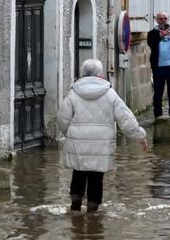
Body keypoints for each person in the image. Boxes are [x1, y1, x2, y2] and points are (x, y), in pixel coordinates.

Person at [57, 59, 148, 213]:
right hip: (101, 146)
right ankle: (93, 212)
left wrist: (71, 135)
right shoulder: (110, 94)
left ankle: (75, 207)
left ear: (82, 73)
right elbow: (126, 119)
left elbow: (62, 119)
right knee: (96, 177)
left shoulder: (73, 93)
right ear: (100, 74)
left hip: (78, 144)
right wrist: (140, 135)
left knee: (78, 173)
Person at [147, 11, 170, 124]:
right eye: (160, 18)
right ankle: (158, 116)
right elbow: (151, 43)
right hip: (158, 67)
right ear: (156, 20)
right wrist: (161, 35)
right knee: (158, 92)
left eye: (165, 18)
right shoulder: (152, 33)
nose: (163, 20)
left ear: (168, 20)